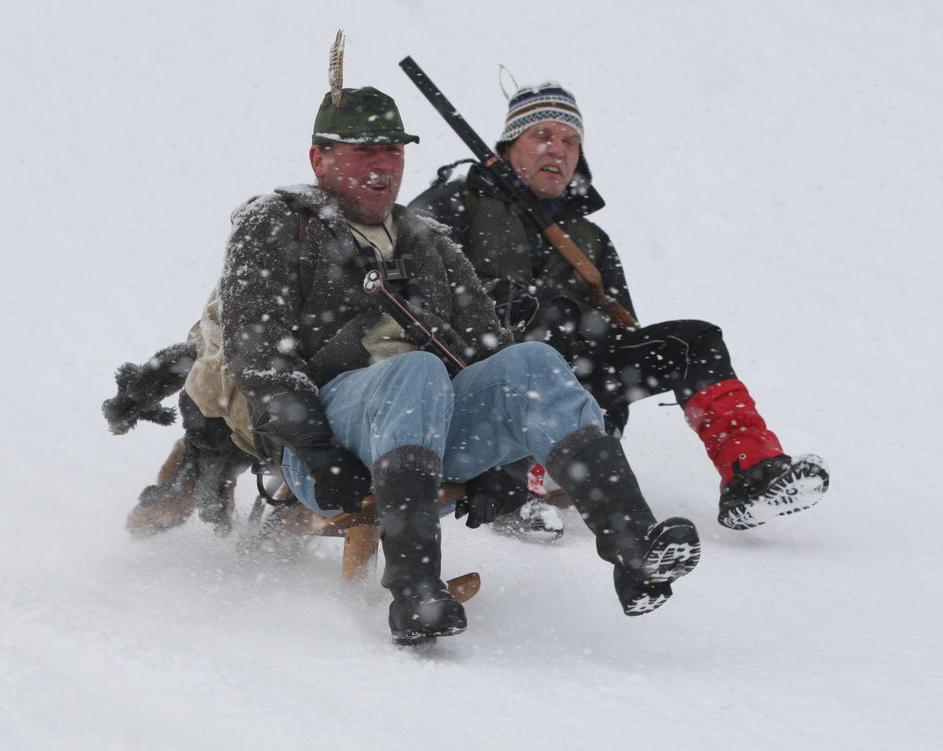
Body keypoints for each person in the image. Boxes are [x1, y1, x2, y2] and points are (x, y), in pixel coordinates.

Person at [188, 84, 701, 645]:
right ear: (320, 158)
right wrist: (318, 450)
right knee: (418, 370)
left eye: (393, 150)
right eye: (363, 151)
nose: (383, 165)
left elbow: (489, 352)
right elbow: (260, 356)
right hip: (324, 443)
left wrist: (504, 468)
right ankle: (415, 591)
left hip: (425, 438)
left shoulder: (427, 241)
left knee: (532, 361)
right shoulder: (278, 223)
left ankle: (633, 547)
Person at [409, 82, 829, 533]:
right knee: (549, 315)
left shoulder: (592, 241)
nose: (558, 150)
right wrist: (504, 303)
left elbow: (613, 335)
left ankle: (750, 473)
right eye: (542, 135)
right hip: (473, 382)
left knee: (693, 341)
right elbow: (411, 280)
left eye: (570, 141)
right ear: (510, 145)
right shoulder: (455, 202)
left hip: (566, 385)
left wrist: (605, 432)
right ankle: (515, 484)